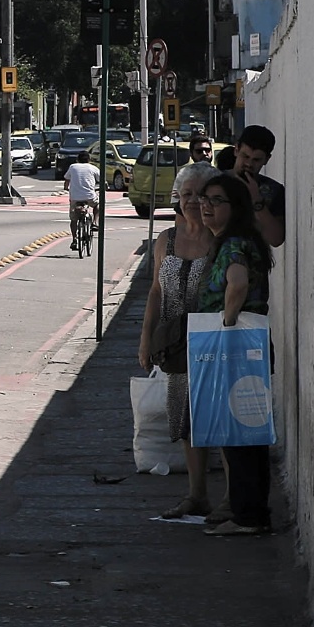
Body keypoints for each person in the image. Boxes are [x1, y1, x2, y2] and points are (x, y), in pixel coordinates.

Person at [195, 171, 275, 535]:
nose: (206, 207)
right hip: (250, 345)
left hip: (235, 347)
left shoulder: (233, 245)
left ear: (235, 207)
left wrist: (226, 324)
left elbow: (237, 284)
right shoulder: (241, 241)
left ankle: (248, 516)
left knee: (237, 434)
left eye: (216, 201)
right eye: (204, 200)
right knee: (248, 431)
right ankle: (251, 512)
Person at [137, 161, 219, 518]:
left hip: (211, 343)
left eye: (201, 195)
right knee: (184, 420)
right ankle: (197, 495)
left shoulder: (219, 240)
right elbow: (156, 291)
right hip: (175, 345)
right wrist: (146, 339)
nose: (193, 201)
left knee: (213, 419)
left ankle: (229, 500)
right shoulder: (166, 240)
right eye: (187, 194)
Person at [230, 125, 285, 248]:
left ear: (266, 159)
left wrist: (257, 201)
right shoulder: (213, 182)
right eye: (245, 156)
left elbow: (276, 239)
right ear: (236, 150)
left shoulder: (273, 191)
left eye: (256, 160)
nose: (249, 164)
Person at [64, 152, 102, 251]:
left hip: (75, 197)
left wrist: (66, 188)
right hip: (89, 196)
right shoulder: (93, 168)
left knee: (73, 220)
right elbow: (102, 180)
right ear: (89, 160)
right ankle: (95, 222)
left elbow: (67, 180)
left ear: (77, 160)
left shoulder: (73, 167)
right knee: (98, 205)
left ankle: (74, 239)